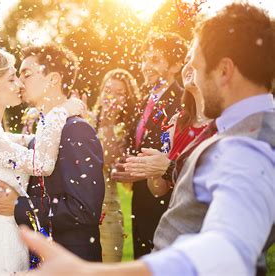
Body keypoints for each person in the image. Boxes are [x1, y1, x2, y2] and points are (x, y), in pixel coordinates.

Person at [17, 3, 275, 275]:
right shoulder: (248, 131)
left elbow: (226, 250)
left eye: (197, 67)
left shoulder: (248, 144)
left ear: (225, 71)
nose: (192, 78)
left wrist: (92, 272)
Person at [0, 43, 85, 275]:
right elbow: (42, 163)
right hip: (0, 248)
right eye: (12, 79)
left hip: (14, 239)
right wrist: (61, 111)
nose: (20, 84)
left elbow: (36, 140)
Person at [0, 44, 105, 263]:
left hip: (71, 263)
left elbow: (84, 210)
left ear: (53, 79)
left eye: (26, 74)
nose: (19, 82)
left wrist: (17, 206)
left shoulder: (76, 131)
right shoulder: (41, 137)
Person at [113, 32, 187, 258]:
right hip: (141, 199)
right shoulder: (147, 98)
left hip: (165, 202)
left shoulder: (182, 101)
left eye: (154, 60)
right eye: (145, 59)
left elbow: (176, 155)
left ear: (175, 65)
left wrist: (141, 171)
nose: (146, 66)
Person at [119, 46, 212, 197]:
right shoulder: (176, 122)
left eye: (196, 59)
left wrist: (167, 168)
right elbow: (159, 189)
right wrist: (152, 170)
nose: (189, 65)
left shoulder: (224, 122)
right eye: (187, 60)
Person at [88, 68, 140, 262]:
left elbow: (112, 165)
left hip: (108, 214)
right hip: (79, 216)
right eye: (108, 90)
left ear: (127, 100)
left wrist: (108, 123)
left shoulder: (126, 131)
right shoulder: (85, 121)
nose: (112, 97)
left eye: (120, 94)